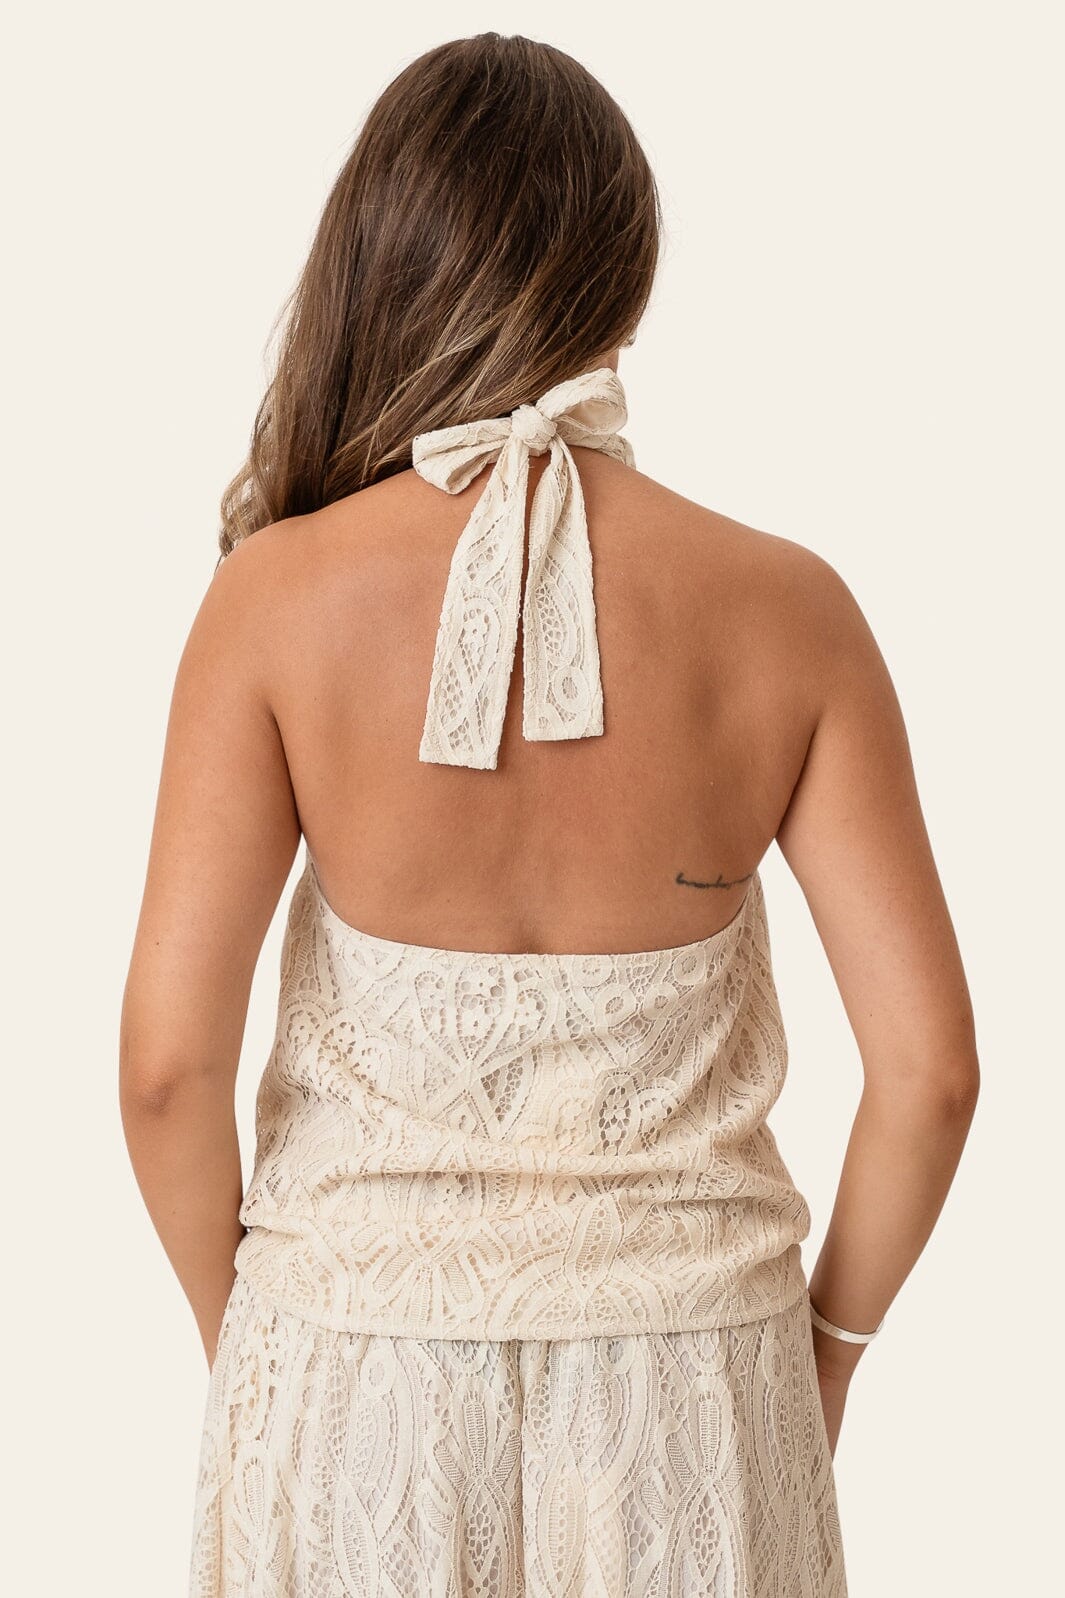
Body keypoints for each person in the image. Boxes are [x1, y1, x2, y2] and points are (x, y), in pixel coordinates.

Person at [119, 32, 980, 1598]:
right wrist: (827, 1353)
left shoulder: (273, 607)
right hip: (695, 1386)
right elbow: (928, 1074)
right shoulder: (789, 611)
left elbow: (166, 1069)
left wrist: (252, 1341)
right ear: (625, 287)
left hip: (353, 1364)